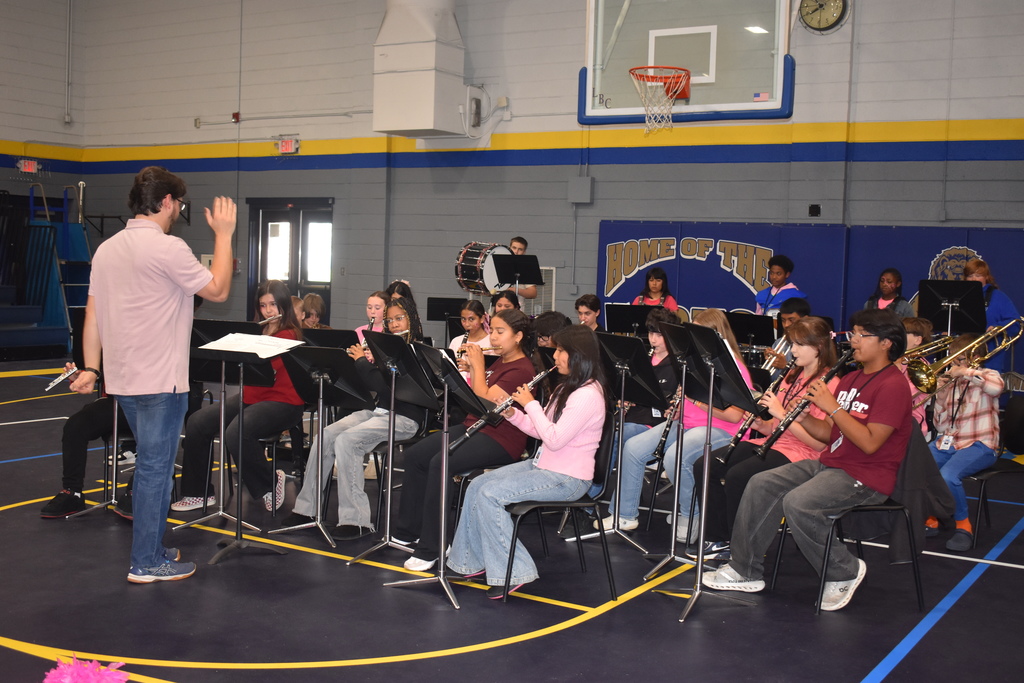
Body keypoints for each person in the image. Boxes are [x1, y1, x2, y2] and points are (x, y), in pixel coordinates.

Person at [69, 166, 236, 583]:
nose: (179, 211)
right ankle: (146, 562)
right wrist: (225, 234)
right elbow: (217, 291)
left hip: (124, 380)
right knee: (155, 471)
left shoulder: (107, 249)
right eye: (178, 203)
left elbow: (92, 316)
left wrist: (92, 367)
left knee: (150, 467)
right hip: (162, 381)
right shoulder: (168, 247)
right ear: (166, 202)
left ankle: (153, 549)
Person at [703, 308, 912, 612]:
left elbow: (870, 443)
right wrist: (800, 413)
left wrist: (832, 406)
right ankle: (745, 570)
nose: (852, 340)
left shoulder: (893, 385)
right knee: (761, 482)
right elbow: (828, 433)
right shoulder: (854, 377)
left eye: (860, 334)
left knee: (800, 503)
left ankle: (844, 570)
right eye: (852, 333)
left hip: (866, 475)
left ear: (886, 343)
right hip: (833, 463)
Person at [446, 325, 608, 598]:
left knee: (489, 494)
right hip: (546, 466)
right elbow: (540, 432)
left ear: (578, 355)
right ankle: (468, 562)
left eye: (560, 350)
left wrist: (530, 403)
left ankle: (514, 571)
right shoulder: (566, 389)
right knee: (477, 484)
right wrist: (512, 413)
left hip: (568, 478)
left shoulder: (588, 395)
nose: (554, 356)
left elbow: (554, 439)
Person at [394, 308, 539, 571]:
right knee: (416, 456)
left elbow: (486, 403)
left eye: (500, 332)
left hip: (502, 438)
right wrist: (468, 370)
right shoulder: (500, 361)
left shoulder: (522, 370)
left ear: (518, 336)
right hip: (476, 426)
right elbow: (474, 399)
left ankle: (434, 545)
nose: (493, 338)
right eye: (492, 330)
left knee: (441, 463)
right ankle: (409, 530)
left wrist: (478, 367)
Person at [601, 308, 752, 542]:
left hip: (723, 432)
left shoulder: (734, 369)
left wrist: (695, 401)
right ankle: (625, 515)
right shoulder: (694, 365)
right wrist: (679, 408)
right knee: (633, 448)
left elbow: (734, 416)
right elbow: (689, 406)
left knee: (675, 456)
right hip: (687, 425)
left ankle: (691, 515)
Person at [694, 317, 840, 558]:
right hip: (773, 444)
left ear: (819, 348)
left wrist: (781, 415)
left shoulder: (830, 385)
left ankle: (741, 546)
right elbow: (775, 427)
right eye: (792, 343)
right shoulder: (792, 377)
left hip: (803, 454)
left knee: (738, 475)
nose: (792, 350)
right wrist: (762, 423)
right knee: (706, 464)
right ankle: (717, 537)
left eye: (799, 345)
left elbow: (819, 443)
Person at [283, 296, 425, 540]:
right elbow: (372, 387)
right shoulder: (387, 347)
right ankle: (307, 509)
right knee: (325, 435)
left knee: (347, 441)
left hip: (406, 417)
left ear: (412, 319)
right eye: (390, 321)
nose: (394, 325)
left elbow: (389, 386)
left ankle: (356, 520)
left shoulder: (416, 350)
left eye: (399, 319)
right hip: (379, 411)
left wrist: (362, 361)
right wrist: (363, 362)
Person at [172, 280, 305, 514]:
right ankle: (197, 493)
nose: (269, 311)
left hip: (283, 402)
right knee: (197, 422)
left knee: (236, 432)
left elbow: (266, 365)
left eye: (274, 305)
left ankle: (270, 483)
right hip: (252, 397)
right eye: (263, 306)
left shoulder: (289, 334)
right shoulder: (259, 330)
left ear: (284, 305)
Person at [924, 334, 1003, 551]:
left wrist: (967, 373)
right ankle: (933, 516)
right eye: (952, 358)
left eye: (958, 359)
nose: (952, 363)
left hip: (980, 444)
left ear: (974, 357)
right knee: (919, 466)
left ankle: (963, 525)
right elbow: (941, 427)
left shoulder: (988, 374)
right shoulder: (951, 384)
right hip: (950, 441)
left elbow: (997, 388)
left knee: (948, 476)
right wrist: (939, 398)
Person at [39, 390, 131, 518]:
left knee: (155, 432)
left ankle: (136, 490)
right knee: (75, 426)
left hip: (153, 402)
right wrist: (84, 374)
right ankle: (72, 492)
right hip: (117, 401)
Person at [964, 259, 1020, 374]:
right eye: (970, 276)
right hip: (962, 358)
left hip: (991, 361)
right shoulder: (960, 296)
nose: (974, 279)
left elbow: (1016, 323)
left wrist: (998, 327)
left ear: (986, 277)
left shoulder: (999, 297)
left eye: (978, 275)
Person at [901, 317, 936, 436]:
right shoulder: (894, 361)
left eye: (903, 333)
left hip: (912, 424)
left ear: (917, 340)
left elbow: (907, 394)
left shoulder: (921, 366)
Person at [762, 297, 812, 377]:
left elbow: (809, 377)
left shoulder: (812, 346)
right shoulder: (778, 343)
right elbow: (772, 378)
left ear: (805, 319)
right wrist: (770, 360)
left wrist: (785, 367)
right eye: (783, 320)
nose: (786, 325)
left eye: (791, 320)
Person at [448, 299, 495, 382]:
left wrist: (471, 369)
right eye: (463, 319)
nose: (466, 324)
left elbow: (494, 372)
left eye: (471, 319)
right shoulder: (456, 341)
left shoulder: (492, 342)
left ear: (482, 319)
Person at [507, 236, 538, 301]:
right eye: (514, 248)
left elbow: (533, 293)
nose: (516, 252)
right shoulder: (498, 264)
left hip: (516, 309)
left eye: (520, 249)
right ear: (509, 248)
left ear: (524, 252)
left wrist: (516, 290)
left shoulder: (526, 268)